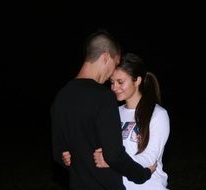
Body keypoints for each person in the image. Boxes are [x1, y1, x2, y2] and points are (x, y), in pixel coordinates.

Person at [51, 30, 156, 190]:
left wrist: (66, 157)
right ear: (106, 57)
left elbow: (59, 152)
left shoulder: (61, 96)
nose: (111, 75)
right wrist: (142, 175)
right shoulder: (103, 97)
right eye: (115, 64)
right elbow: (113, 155)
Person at [63, 53, 170, 189]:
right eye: (112, 82)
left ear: (137, 80)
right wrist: (74, 156)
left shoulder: (158, 114)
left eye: (120, 82)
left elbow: (149, 158)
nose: (114, 87)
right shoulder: (113, 112)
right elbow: (97, 150)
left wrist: (112, 161)